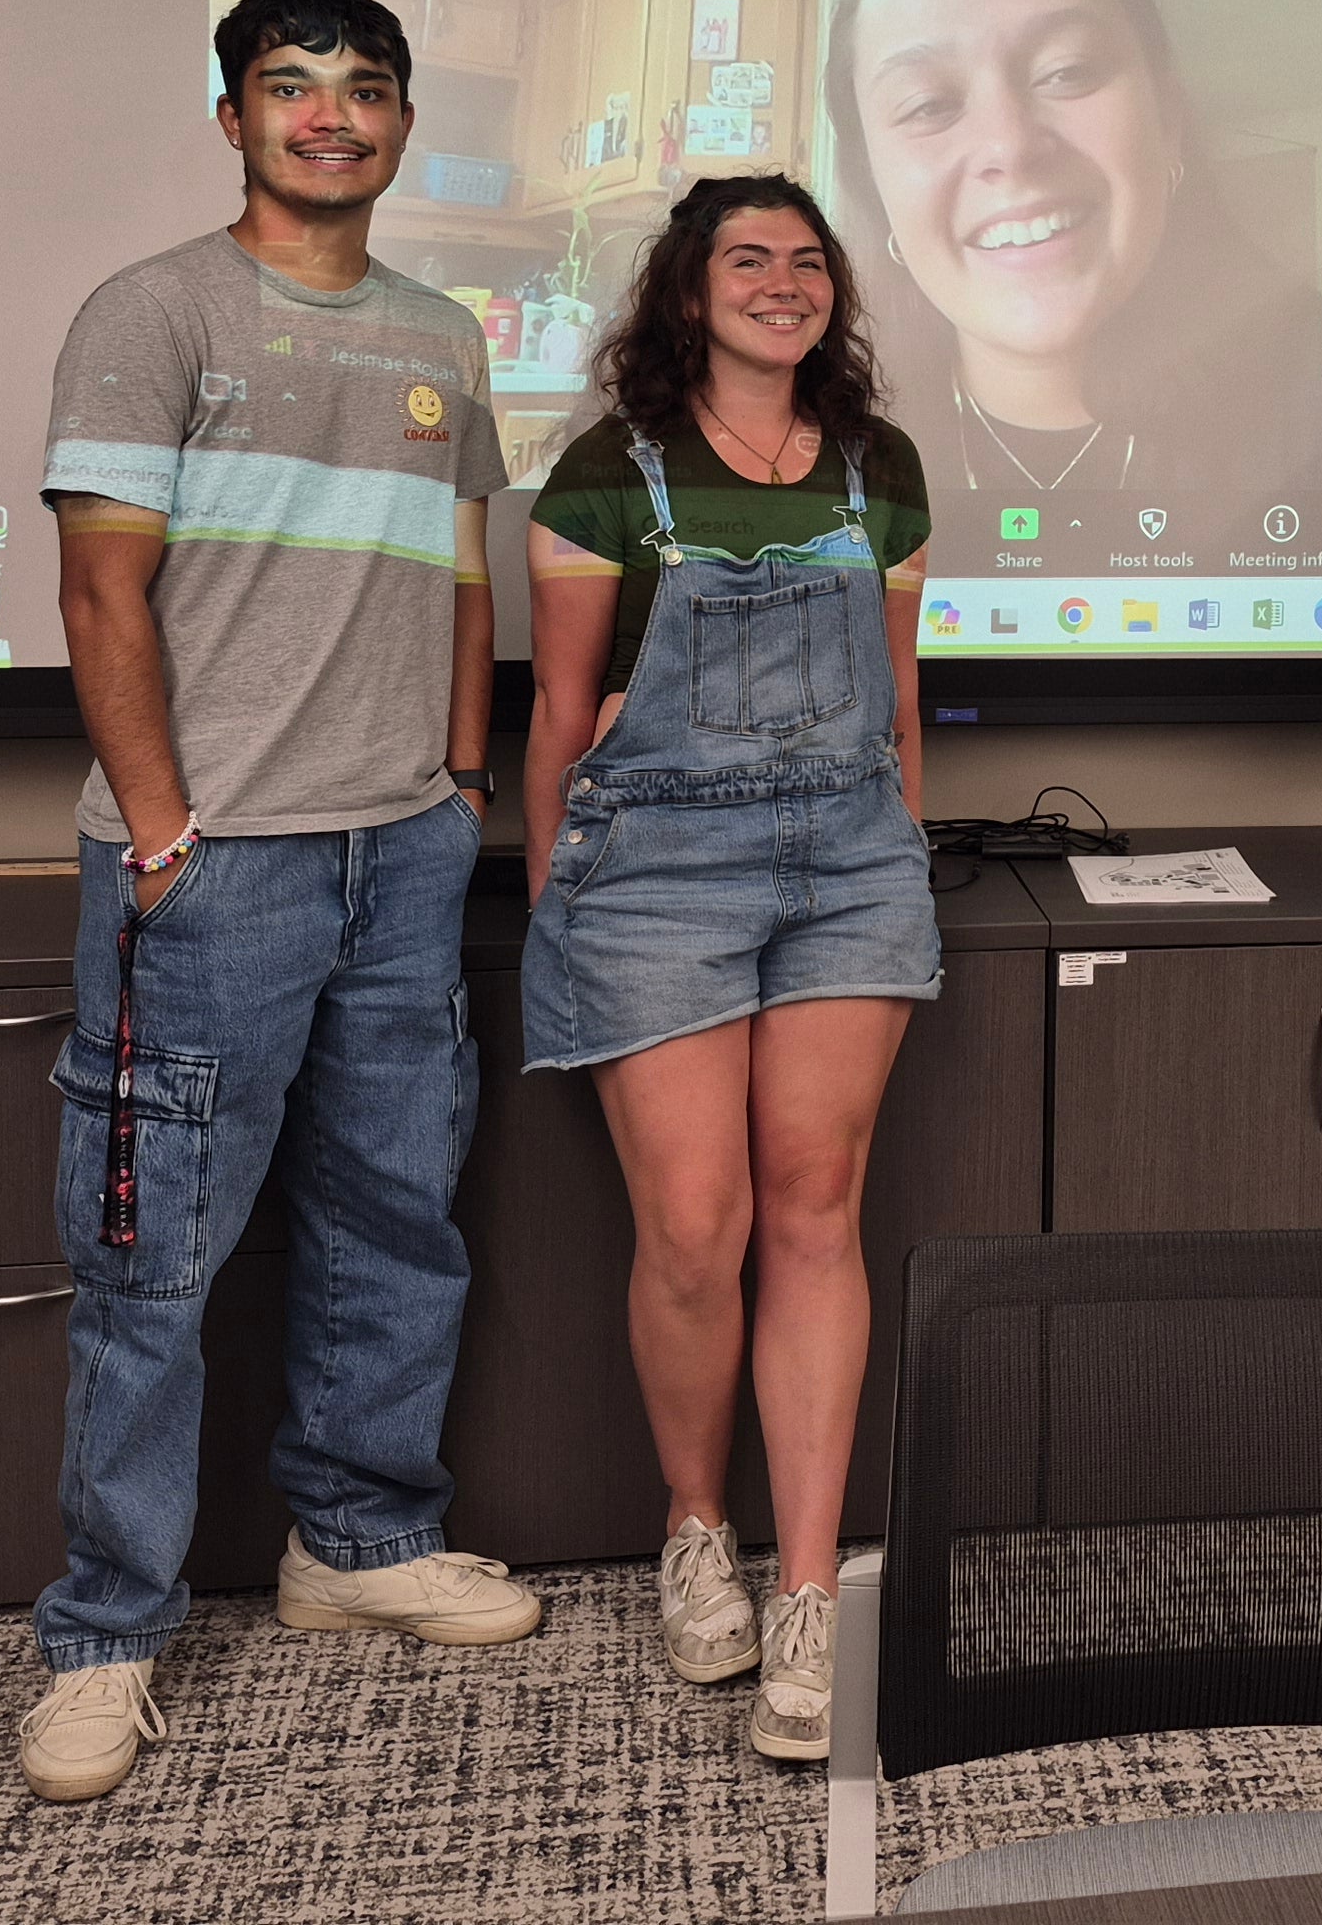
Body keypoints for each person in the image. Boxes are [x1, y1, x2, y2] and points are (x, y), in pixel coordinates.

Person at [22, 0, 541, 1806]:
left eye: (366, 88)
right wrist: (162, 826)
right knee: (152, 1264)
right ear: (235, 116)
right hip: (210, 864)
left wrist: (459, 784)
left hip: (397, 856)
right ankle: (101, 1636)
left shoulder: (442, 331)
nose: (332, 116)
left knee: (397, 1217)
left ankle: (357, 1540)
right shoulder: (151, 312)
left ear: (404, 123)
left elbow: (468, 584)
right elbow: (104, 595)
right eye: (292, 87)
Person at [517, 173, 938, 1764]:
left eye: (807, 261)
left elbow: (901, 698)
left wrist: (901, 842)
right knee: (695, 1228)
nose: (782, 281)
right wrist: (564, 905)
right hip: (655, 876)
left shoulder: (876, 468)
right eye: (747, 260)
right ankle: (697, 1526)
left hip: (847, 863)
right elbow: (558, 721)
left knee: (816, 1207)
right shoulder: (605, 477)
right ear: (689, 294)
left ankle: (812, 1588)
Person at [823, 0, 1322, 514]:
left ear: (1168, 121)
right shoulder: (803, 453)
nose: (1010, 146)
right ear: (873, 187)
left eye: (1067, 70)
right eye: (927, 105)